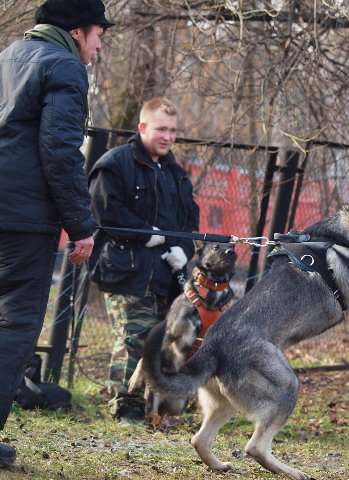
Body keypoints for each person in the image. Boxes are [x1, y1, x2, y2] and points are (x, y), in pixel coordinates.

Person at [0, 0, 114, 468]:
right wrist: (82, 223)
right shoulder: (65, 68)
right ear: (78, 31)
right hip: (22, 221)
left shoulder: (7, 57)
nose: (100, 43)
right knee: (15, 326)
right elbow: (60, 151)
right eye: (98, 34)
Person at [88, 97, 200, 424]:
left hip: (165, 275)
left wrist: (183, 251)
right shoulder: (116, 164)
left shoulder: (177, 176)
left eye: (173, 131)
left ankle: (155, 410)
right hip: (126, 270)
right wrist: (142, 233)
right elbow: (103, 211)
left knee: (163, 342)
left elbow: (188, 224)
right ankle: (127, 409)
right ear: (142, 127)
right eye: (161, 129)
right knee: (135, 339)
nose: (167, 136)